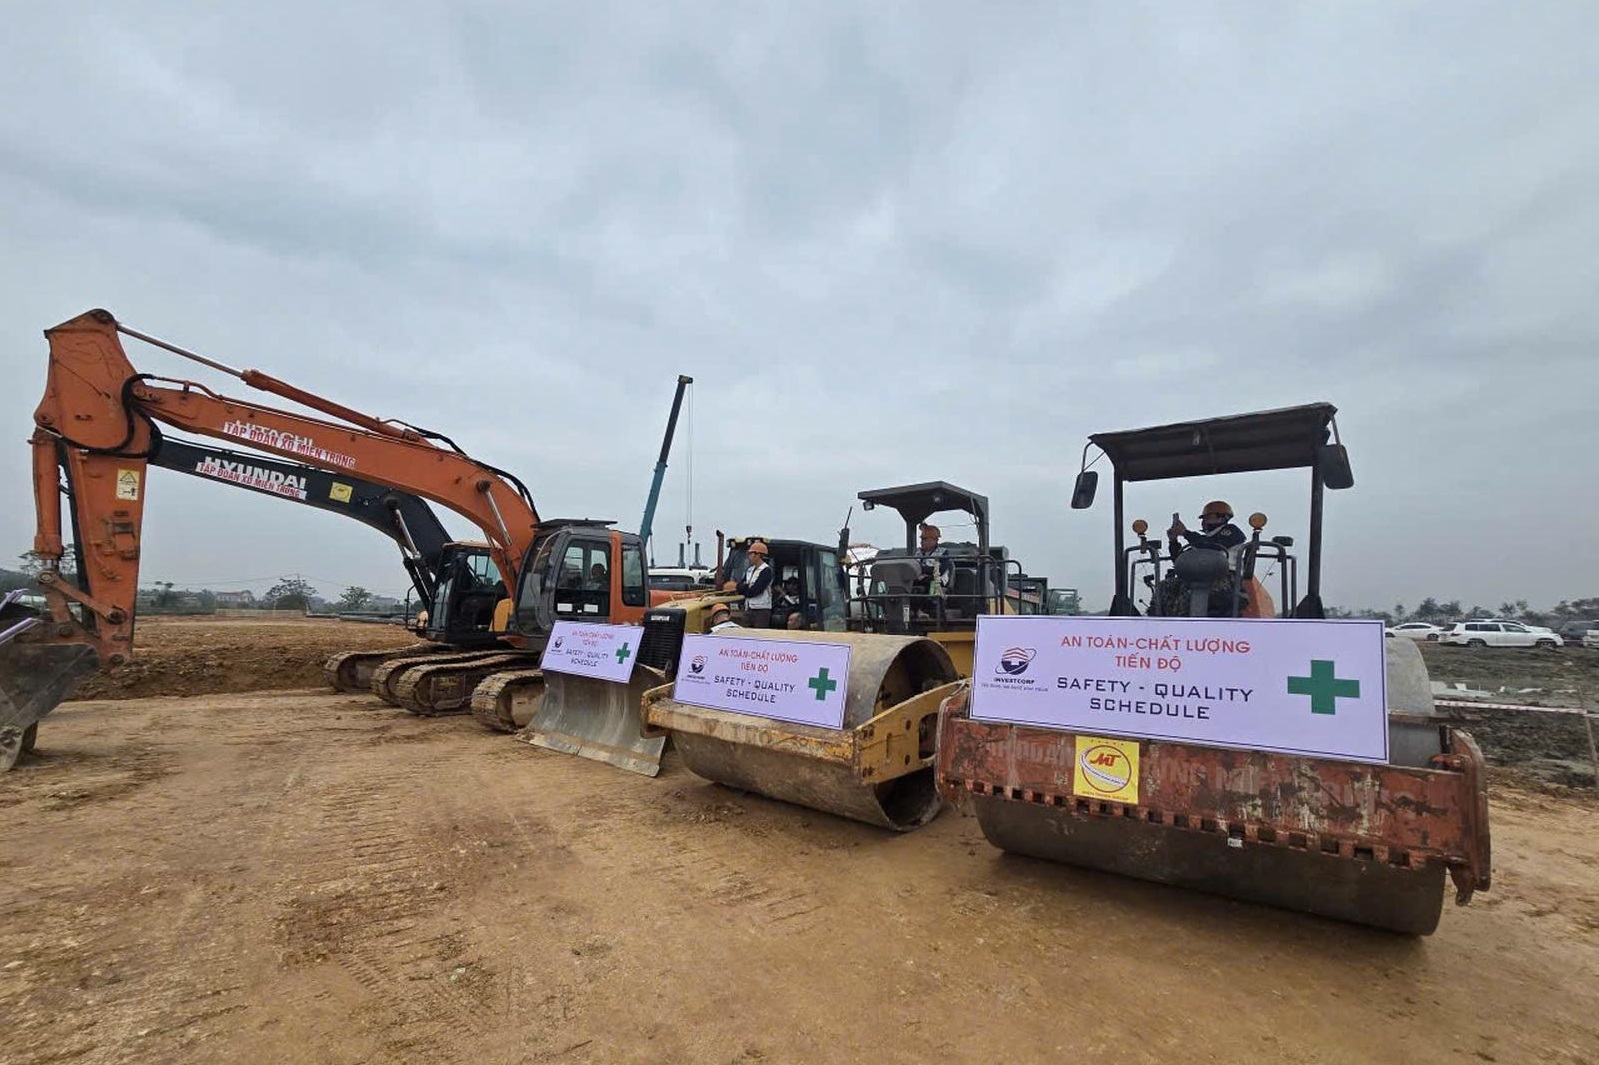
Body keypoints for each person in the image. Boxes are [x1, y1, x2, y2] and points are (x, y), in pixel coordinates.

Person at [1159, 500, 1247, 616]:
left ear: (1222, 518)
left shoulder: (1231, 531)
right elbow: (1180, 560)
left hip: (1225, 576)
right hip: (1198, 576)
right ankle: (1159, 620)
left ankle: (1185, 618)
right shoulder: (1200, 540)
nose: (1204, 521)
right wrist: (1173, 541)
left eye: (1208, 517)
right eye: (1203, 518)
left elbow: (1213, 545)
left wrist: (1185, 533)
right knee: (1165, 586)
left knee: (1190, 593)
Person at [722, 540, 774, 627]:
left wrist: (736, 586)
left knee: (759, 634)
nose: (749, 556)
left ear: (758, 555)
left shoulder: (766, 571)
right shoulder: (749, 570)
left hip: (761, 611)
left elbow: (754, 591)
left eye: (750, 554)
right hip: (748, 608)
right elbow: (744, 585)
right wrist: (738, 588)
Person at [911, 523, 953, 596]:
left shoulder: (943, 552)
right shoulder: (918, 553)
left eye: (925, 539)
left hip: (938, 579)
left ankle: (934, 601)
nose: (921, 542)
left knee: (931, 581)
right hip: (920, 578)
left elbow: (941, 570)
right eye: (922, 539)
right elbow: (913, 567)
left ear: (935, 540)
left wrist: (924, 572)